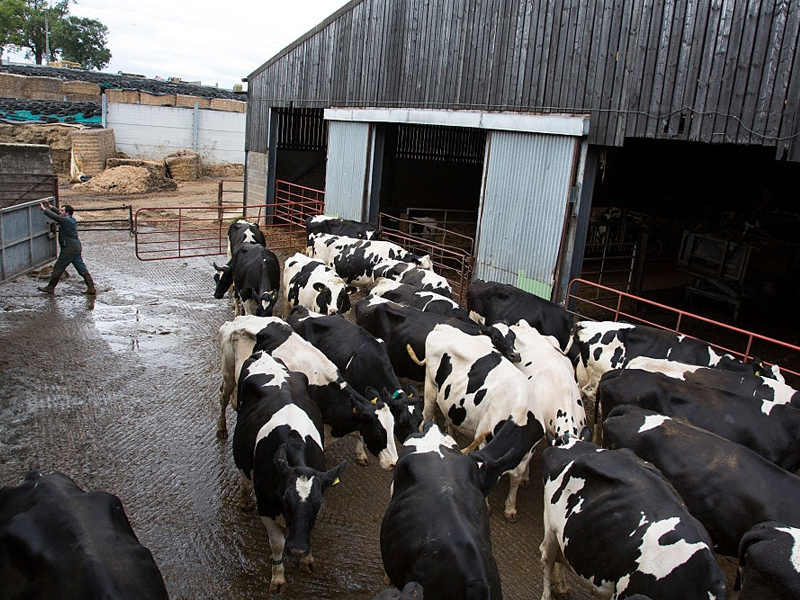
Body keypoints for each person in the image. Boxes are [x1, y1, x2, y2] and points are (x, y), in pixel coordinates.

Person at [38, 200, 96, 295]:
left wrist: (44, 209)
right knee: (81, 268)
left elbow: (56, 217)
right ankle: (91, 288)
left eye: (62, 210)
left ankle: (50, 287)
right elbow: (59, 214)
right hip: (75, 247)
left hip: (69, 248)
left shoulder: (66, 221)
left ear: (67, 213)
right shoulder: (70, 219)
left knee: (58, 267)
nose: (60, 211)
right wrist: (50, 206)